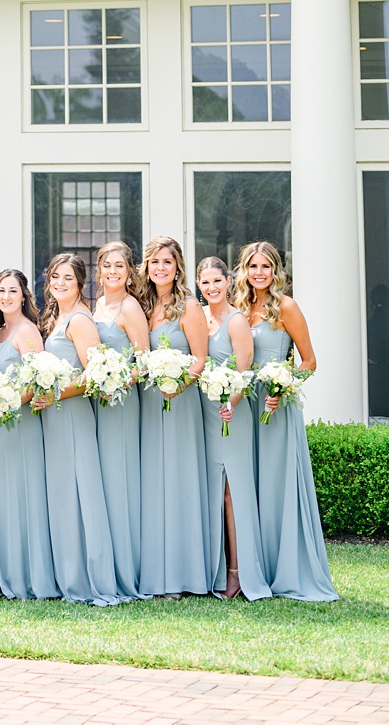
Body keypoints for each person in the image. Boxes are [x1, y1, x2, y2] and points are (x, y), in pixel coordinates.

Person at [238, 241, 338, 603]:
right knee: (249, 483)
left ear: (276, 270)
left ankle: (287, 570)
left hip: (275, 405)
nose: (259, 273)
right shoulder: (239, 306)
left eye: (265, 267)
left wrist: (284, 387)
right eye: (253, 267)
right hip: (243, 401)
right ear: (245, 270)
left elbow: (309, 361)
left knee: (276, 483)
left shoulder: (286, 307)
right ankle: (253, 567)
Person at [36, 251, 133, 604]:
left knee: (81, 494)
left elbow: (94, 375)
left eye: (68, 278)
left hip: (72, 413)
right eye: (55, 277)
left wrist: (55, 393)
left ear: (80, 284)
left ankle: (91, 578)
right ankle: (68, 575)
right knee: (63, 496)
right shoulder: (58, 317)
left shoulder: (79, 320)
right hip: (55, 415)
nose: (60, 283)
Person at [134, 235, 214, 598]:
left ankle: (184, 576)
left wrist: (177, 384)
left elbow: (200, 358)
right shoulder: (143, 304)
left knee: (179, 480)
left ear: (177, 266)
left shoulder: (189, 307)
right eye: (154, 262)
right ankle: (154, 572)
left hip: (179, 403)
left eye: (166, 261)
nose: (160, 268)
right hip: (149, 403)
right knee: (153, 483)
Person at [195, 254, 265, 601]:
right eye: (205, 282)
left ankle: (238, 572)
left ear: (228, 282)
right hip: (201, 414)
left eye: (217, 281)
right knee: (210, 490)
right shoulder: (199, 316)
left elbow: (245, 370)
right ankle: (213, 568)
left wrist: (231, 402)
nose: (211, 288)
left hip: (229, 413)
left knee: (231, 492)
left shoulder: (235, 320)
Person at [0, 266, 58, 601]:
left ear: (24, 295)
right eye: (1, 290)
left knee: (25, 495)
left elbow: (39, 378)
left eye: (12, 290)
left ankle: (31, 577)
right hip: (1, 424)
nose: (6, 296)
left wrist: (10, 402)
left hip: (22, 422)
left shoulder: (27, 330)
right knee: (5, 496)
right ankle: (9, 572)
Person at [88, 240, 149, 592]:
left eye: (119, 266)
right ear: (99, 269)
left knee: (121, 478)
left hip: (122, 403)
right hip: (99, 401)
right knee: (106, 483)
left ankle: (129, 568)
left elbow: (143, 361)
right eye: (106, 265)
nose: (112, 271)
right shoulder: (97, 305)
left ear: (129, 272)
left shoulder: (130, 307)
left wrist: (115, 381)